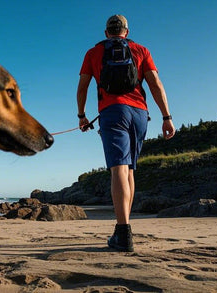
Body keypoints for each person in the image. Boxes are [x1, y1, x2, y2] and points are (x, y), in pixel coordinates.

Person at [77, 14, 175, 252]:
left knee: (118, 169)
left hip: (112, 112)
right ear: (126, 32)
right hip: (140, 114)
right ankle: (125, 228)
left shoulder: (93, 53)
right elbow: (155, 84)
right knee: (129, 169)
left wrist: (82, 116)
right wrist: (167, 117)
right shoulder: (141, 50)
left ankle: (123, 233)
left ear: (106, 33)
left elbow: (83, 86)